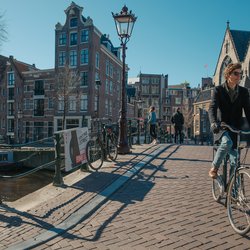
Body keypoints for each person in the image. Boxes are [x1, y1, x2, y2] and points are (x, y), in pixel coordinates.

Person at [208, 63, 250, 178]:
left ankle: (233, 193)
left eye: (240, 74)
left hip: (236, 129)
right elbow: (212, 108)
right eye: (235, 73)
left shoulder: (244, 92)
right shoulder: (218, 90)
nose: (239, 76)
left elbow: (248, 111)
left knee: (235, 161)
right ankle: (215, 167)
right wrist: (213, 122)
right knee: (227, 142)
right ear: (228, 74)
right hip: (222, 127)